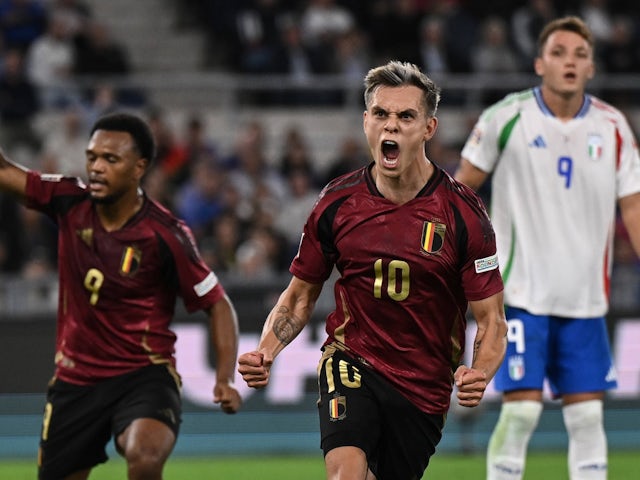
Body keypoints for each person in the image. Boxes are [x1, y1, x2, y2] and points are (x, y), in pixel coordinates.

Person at [238, 60, 508, 480]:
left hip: (424, 384)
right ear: (366, 122)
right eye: (381, 114)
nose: (391, 126)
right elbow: (299, 294)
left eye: (406, 116)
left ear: (429, 128)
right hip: (351, 360)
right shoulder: (336, 203)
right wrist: (267, 350)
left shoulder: (464, 214)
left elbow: (492, 320)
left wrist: (480, 371)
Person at [0, 112, 242, 479]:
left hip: (143, 375)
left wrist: (224, 377)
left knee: (144, 454)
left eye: (110, 159)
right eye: (92, 157)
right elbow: (5, 172)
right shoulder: (68, 200)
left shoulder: (165, 235)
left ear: (138, 168)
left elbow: (217, 304)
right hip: (75, 381)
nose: (96, 168)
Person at [455, 16, 640, 480]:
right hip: (519, 298)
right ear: (539, 63)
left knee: (587, 419)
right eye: (559, 53)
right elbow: (460, 195)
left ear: (592, 67)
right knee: (520, 415)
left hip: (585, 302)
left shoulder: (613, 126)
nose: (569, 62)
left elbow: (633, 208)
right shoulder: (506, 117)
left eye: (580, 54)